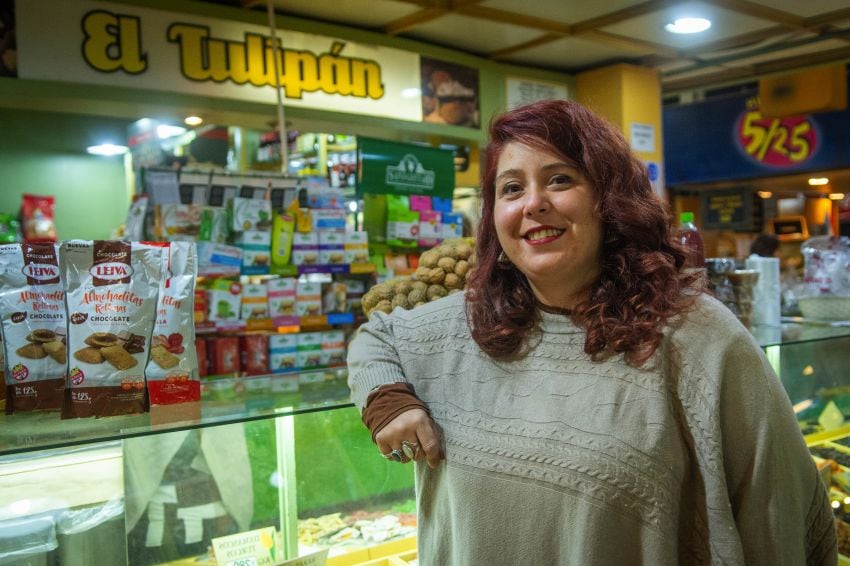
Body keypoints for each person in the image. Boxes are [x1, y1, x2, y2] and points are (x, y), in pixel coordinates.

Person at [347, 99, 836, 565]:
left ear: (609, 198)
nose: (533, 204)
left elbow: (778, 508)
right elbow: (377, 337)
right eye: (511, 188)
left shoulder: (697, 337)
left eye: (559, 179)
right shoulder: (468, 318)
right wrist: (387, 398)